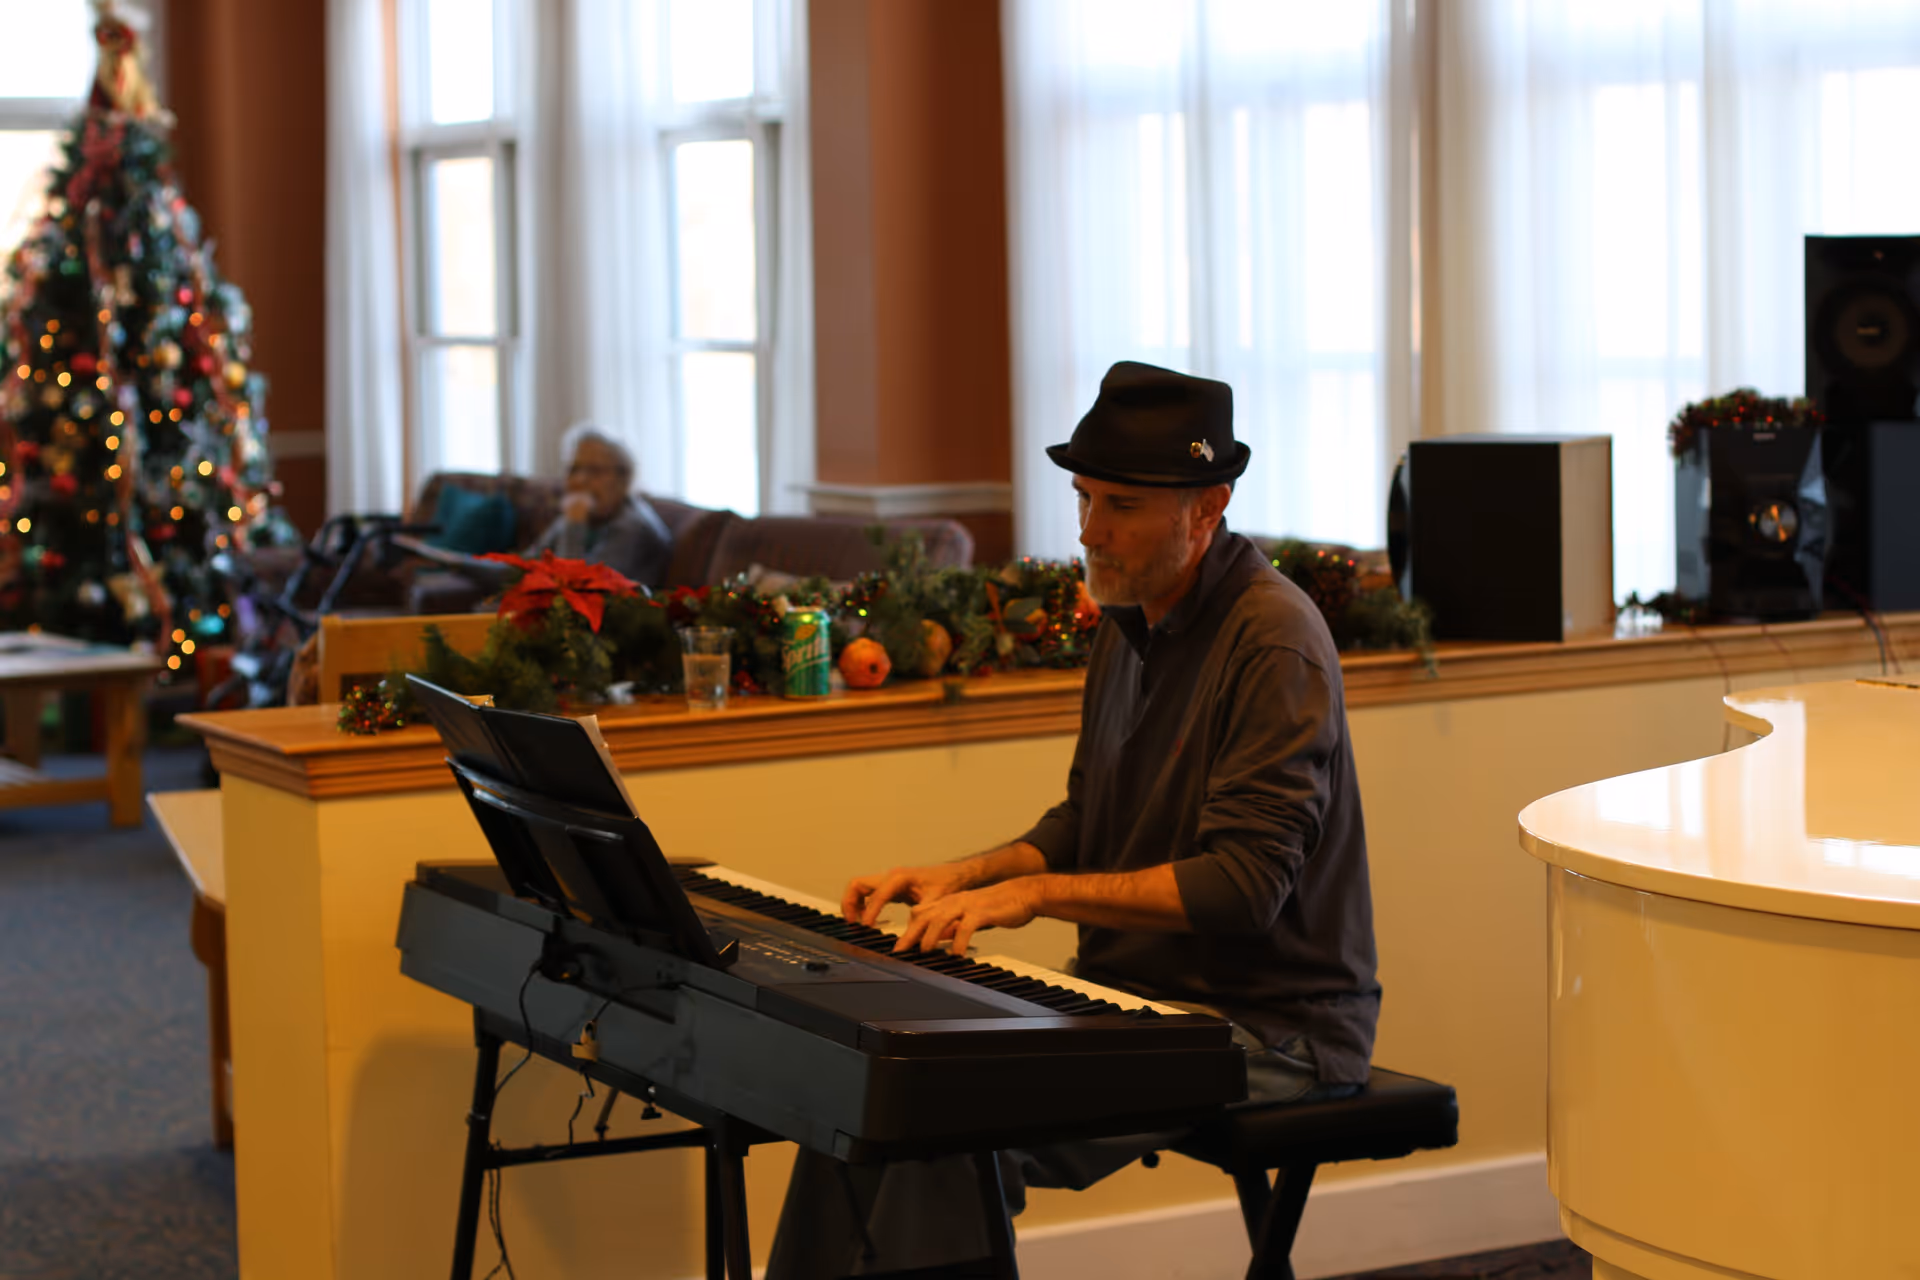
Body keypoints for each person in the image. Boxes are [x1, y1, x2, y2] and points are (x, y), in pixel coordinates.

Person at [765, 361, 1381, 1279]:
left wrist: (1035, 897)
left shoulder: (1273, 641)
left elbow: (1245, 887)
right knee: (870, 1086)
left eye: (1122, 506)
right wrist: (966, 877)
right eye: (1084, 498)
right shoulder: (1131, 618)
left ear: (1208, 507)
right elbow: (1090, 817)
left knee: (940, 1119)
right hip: (1133, 1001)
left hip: (1269, 1030)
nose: (1090, 531)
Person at [524, 422, 674, 586]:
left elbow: (577, 587)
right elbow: (526, 565)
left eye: (594, 471)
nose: (579, 480)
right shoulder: (588, 515)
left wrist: (574, 525)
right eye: (573, 469)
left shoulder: (633, 527)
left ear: (623, 478)